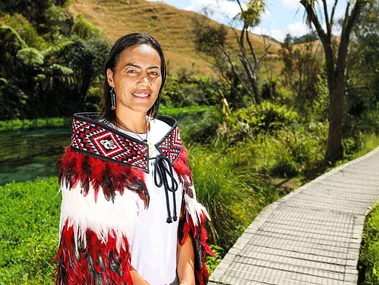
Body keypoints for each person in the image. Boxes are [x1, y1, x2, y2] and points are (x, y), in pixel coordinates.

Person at [54, 33, 213, 285]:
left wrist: (187, 280)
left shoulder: (168, 137)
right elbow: (97, 256)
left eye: (153, 72)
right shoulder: (89, 152)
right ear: (111, 77)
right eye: (131, 71)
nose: (144, 82)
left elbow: (183, 225)